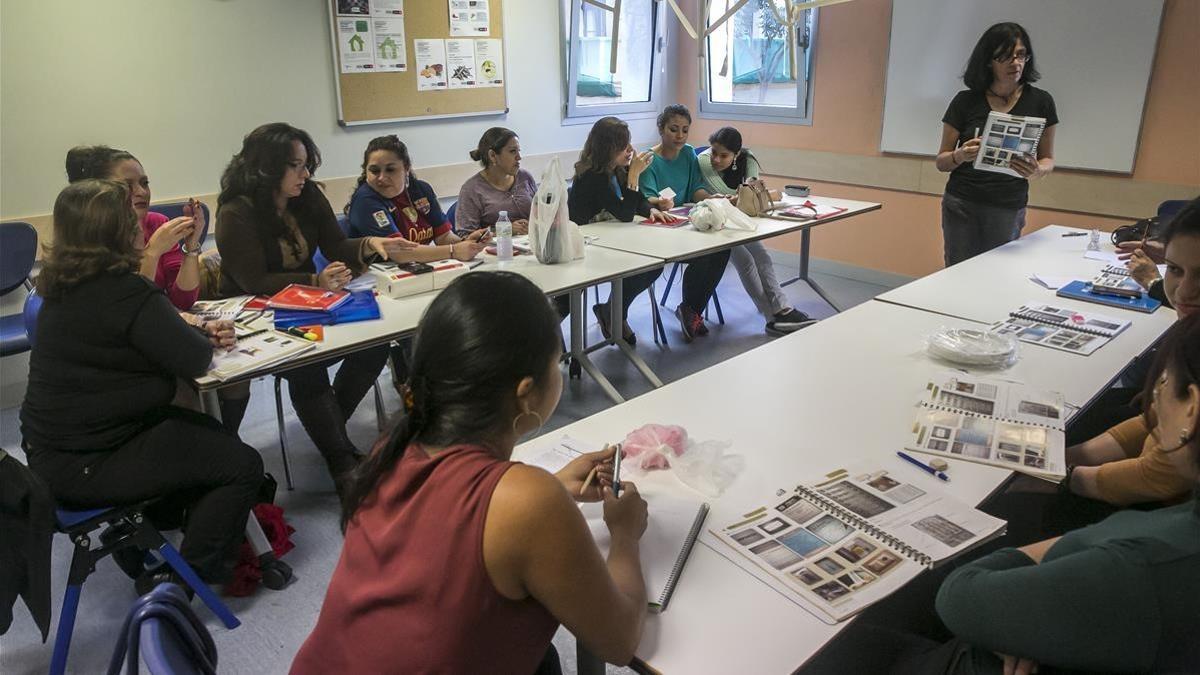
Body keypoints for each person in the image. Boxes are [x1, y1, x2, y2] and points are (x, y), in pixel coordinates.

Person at [291, 272, 648, 674]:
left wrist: (555, 488)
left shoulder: (393, 448)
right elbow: (619, 642)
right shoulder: (529, 502)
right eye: (557, 362)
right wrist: (624, 534)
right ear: (526, 392)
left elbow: (452, 530)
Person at [20, 179, 262, 594]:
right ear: (119, 233)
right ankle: (184, 581)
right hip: (90, 464)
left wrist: (193, 333)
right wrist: (200, 336)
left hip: (51, 455)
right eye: (130, 221)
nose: (139, 226)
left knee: (206, 436)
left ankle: (139, 532)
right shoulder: (125, 291)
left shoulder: (59, 287)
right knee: (241, 464)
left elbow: (139, 342)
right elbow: (193, 359)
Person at [934, 312, 1200, 675]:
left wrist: (1019, 628)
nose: (1153, 402)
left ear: (1191, 410)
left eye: (1163, 384)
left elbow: (960, 595)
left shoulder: (1144, 564)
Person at [216, 123, 415, 492]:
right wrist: (315, 281)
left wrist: (370, 243)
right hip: (257, 310)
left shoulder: (309, 197)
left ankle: (331, 430)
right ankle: (339, 457)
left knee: (372, 344)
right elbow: (253, 280)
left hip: (311, 303)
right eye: (296, 165)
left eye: (307, 164)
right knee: (306, 367)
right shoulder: (236, 212)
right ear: (266, 168)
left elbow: (336, 245)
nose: (306, 174)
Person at [1064, 196, 1200, 446]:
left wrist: (1070, 474)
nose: (1183, 292)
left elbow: (1161, 472)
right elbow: (1153, 419)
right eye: (1175, 269)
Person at [935, 22, 1058, 266]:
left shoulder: (1041, 101)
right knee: (957, 271)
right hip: (963, 202)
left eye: (1021, 55)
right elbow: (941, 161)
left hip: (1007, 204)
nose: (1016, 63)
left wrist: (1037, 170)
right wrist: (960, 155)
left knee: (998, 272)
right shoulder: (965, 101)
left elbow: (1048, 159)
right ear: (989, 61)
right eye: (1005, 56)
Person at [698, 127, 817, 335]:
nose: (716, 159)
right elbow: (734, 194)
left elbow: (749, 191)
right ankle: (772, 317)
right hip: (712, 225)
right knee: (746, 262)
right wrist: (742, 196)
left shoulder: (749, 159)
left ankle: (782, 309)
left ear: (737, 155)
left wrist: (742, 196)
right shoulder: (703, 160)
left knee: (762, 255)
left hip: (740, 221)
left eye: (724, 155)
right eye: (714, 152)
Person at [567, 116, 669, 345]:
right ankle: (612, 315)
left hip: (613, 240)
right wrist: (635, 174)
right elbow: (624, 214)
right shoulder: (591, 176)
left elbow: (637, 200)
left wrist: (650, 209)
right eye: (624, 146)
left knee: (653, 265)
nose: (630, 150)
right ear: (607, 149)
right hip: (588, 248)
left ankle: (613, 311)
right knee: (639, 265)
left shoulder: (616, 170)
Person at [64, 145, 204, 310]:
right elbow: (129, 312)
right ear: (100, 194)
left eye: (144, 183)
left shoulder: (157, 223)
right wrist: (152, 253)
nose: (141, 192)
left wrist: (191, 247)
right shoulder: (91, 240)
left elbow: (183, 301)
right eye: (127, 186)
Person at [641, 104, 732, 342]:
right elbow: (645, 200)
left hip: (685, 224)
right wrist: (658, 202)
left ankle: (691, 309)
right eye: (673, 129)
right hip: (660, 229)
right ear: (661, 129)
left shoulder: (689, 153)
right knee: (703, 254)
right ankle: (690, 310)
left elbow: (695, 189)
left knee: (722, 250)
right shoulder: (649, 160)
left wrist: (711, 198)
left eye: (684, 130)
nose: (680, 136)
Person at [346, 135, 489, 261]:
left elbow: (443, 237)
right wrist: (453, 251)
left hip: (415, 269)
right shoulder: (366, 200)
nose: (382, 178)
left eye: (390, 170)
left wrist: (466, 242)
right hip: (377, 277)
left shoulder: (421, 190)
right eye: (374, 171)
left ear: (406, 168)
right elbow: (399, 252)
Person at [455, 127, 538, 234]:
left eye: (519, 151)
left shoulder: (525, 177)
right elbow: (466, 235)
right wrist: (504, 229)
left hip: (529, 245)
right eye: (513, 151)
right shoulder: (472, 189)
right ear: (493, 156)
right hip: (495, 248)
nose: (519, 157)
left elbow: (541, 215)